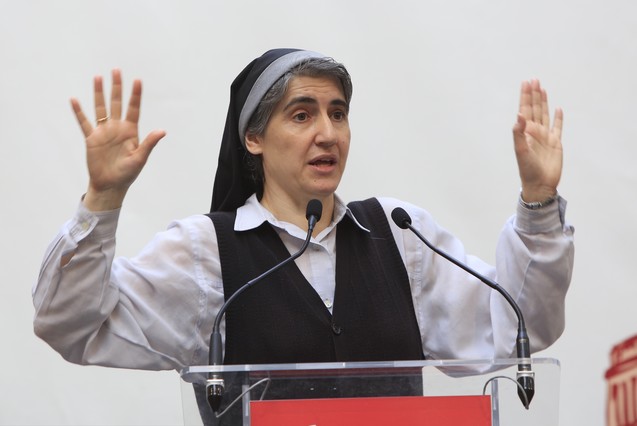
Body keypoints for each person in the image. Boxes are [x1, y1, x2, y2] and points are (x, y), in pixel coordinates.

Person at [33, 48, 573, 418]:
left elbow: (518, 329)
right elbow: (72, 325)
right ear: (253, 138)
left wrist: (538, 201)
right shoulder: (206, 253)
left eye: (338, 114)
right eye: (301, 115)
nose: (327, 133)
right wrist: (102, 199)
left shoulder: (401, 234)